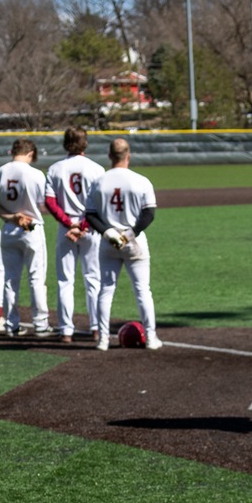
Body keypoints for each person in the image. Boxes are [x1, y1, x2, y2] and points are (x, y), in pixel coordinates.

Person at [87, 137, 161, 351]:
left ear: (110, 156)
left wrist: (108, 232)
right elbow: (149, 214)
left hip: (109, 242)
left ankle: (102, 340)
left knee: (106, 290)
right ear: (128, 156)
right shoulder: (141, 180)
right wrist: (131, 233)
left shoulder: (99, 181)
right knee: (142, 290)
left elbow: (90, 215)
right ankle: (151, 338)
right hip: (134, 242)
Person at [0, 138, 51, 336]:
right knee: (36, 278)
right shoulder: (35, 173)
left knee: (10, 279)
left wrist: (11, 216)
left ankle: (11, 324)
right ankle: (40, 324)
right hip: (32, 228)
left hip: (8, 228)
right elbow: (43, 205)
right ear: (30, 153)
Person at [45, 128, 103, 340]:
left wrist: (70, 225)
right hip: (91, 228)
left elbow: (50, 202)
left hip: (66, 228)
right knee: (93, 279)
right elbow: (100, 203)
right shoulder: (97, 169)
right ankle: (97, 328)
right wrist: (84, 225)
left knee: (65, 281)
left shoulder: (55, 169)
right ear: (85, 143)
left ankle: (66, 330)